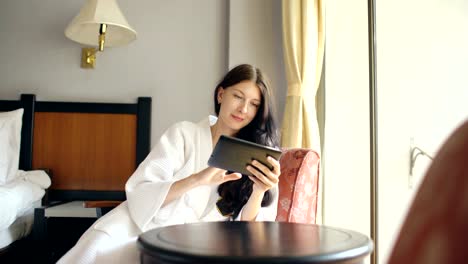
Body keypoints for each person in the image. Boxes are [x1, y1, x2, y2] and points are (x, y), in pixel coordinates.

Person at [57, 64, 281, 263]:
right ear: (221, 94)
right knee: (99, 245)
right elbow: (141, 190)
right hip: (141, 224)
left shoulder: (256, 157)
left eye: (253, 104)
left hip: (203, 243)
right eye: (238, 96)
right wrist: (196, 179)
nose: (243, 109)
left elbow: (250, 232)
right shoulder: (183, 134)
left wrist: (260, 190)